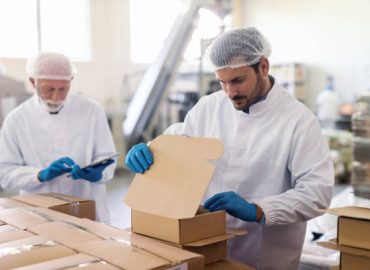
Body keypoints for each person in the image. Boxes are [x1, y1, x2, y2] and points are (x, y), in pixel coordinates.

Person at [124, 27, 334, 270]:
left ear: (263, 67)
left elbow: (317, 193)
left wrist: (257, 209)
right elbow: (183, 142)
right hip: (207, 245)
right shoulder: (208, 107)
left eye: (238, 80)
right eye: (222, 82)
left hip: (265, 254)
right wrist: (152, 149)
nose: (230, 92)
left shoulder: (298, 120)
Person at [0, 52, 116, 224]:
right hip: (40, 212)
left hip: (88, 207)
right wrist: (39, 174)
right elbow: (5, 173)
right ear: (32, 82)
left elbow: (107, 158)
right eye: (49, 89)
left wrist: (99, 173)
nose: (57, 96)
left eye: (63, 89)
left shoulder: (92, 111)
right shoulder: (17, 119)